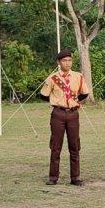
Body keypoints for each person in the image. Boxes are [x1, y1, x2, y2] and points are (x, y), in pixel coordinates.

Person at [40, 49, 89, 186]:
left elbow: (84, 93)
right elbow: (43, 95)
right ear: (58, 62)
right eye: (64, 61)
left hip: (73, 113)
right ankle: (53, 177)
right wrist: (58, 102)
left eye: (69, 60)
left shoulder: (78, 76)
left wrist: (73, 101)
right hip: (58, 114)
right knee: (56, 146)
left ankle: (75, 177)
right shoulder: (52, 78)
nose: (67, 63)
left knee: (74, 146)